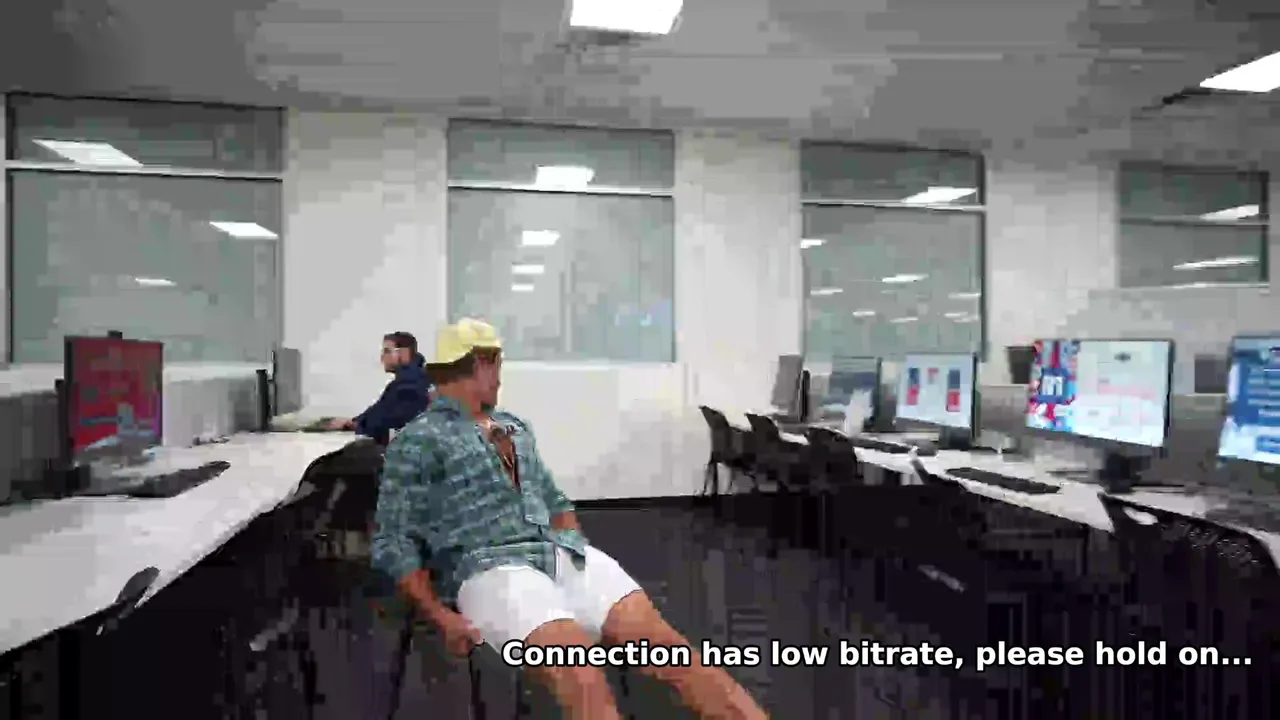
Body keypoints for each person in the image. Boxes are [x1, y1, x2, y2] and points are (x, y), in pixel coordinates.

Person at [371, 319, 768, 720]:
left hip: (559, 553)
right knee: (581, 673)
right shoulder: (418, 441)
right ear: (480, 365)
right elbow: (393, 542)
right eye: (497, 366)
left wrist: (574, 552)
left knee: (671, 652)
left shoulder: (514, 427)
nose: (500, 378)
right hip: (490, 567)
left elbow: (555, 499)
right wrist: (441, 617)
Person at [326, 331, 431, 443]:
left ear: (404, 354)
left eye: (387, 351)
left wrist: (355, 424)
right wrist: (354, 421)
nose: (382, 358)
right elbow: (379, 410)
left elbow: (385, 421)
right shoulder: (407, 380)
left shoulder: (410, 385)